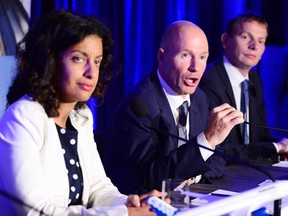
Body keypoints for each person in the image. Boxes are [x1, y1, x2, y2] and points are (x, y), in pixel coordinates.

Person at [0, 9, 161, 216]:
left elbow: (98, 188)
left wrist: (131, 203)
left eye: (97, 61)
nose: (91, 72)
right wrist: (124, 214)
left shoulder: (81, 116)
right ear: (51, 61)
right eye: (78, 59)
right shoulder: (23, 116)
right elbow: (35, 212)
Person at [103, 20, 244, 195]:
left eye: (202, 57)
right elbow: (152, 178)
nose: (196, 67)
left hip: (187, 196)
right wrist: (207, 139)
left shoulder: (199, 97)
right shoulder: (139, 106)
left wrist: (192, 176)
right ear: (162, 58)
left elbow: (218, 156)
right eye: (186, 55)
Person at [199, 11, 288, 165]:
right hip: (220, 172)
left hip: (250, 169)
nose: (254, 46)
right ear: (226, 41)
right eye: (246, 37)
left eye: (261, 41)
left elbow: (260, 136)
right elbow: (219, 148)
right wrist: (275, 148)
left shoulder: (254, 79)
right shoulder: (209, 80)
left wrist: (282, 146)